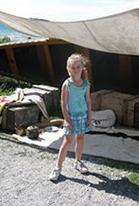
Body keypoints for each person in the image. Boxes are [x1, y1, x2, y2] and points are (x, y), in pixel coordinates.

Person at [49, 53, 96, 181]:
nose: (75, 70)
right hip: (71, 117)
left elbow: (88, 101)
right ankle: (58, 168)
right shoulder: (67, 84)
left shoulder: (86, 83)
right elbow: (63, 103)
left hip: (83, 115)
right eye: (73, 67)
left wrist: (89, 117)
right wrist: (66, 119)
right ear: (68, 69)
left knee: (80, 138)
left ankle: (78, 162)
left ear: (82, 68)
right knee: (67, 141)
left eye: (78, 67)